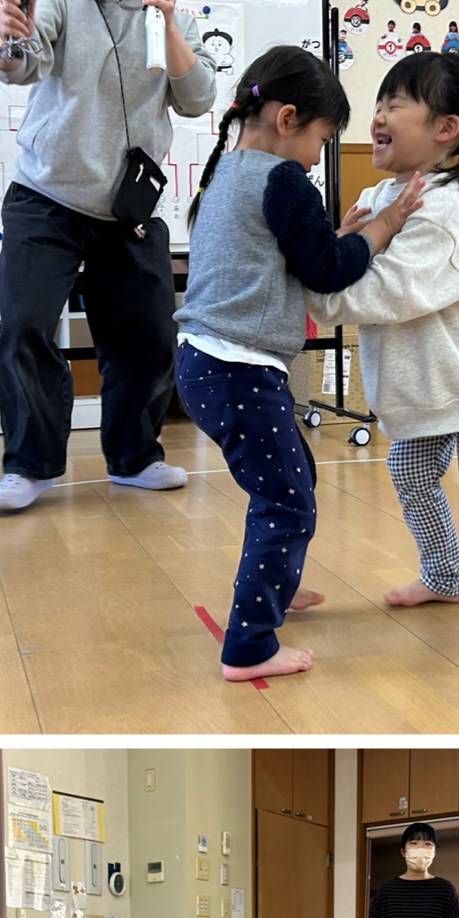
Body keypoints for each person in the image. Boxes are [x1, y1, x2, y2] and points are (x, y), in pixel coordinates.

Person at [174, 47, 424, 682]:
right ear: (287, 120)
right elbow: (329, 271)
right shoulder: (284, 179)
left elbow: (274, 255)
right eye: (321, 140)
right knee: (287, 503)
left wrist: (335, 235)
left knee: (295, 478)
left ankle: (277, 588)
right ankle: (249, 646)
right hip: (239, 369)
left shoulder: (227, 170)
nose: (318, 156)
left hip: (208, 363)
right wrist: (387, 223)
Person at [0, 0, 217, 513]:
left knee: (148, 338)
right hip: (46, 199)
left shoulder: (171, 12)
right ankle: (29, 466)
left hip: (128, 211)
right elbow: (21, 64)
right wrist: (8, 40)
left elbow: (197, 99)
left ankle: (135, 458)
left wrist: (168, 20)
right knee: (24, 328)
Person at [305, 52, 459, 623]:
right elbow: (347, 257)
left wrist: (312, 293)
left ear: (445, 129)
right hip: (430, 385)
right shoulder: (380, 197)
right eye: (379, 103)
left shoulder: (442, 208)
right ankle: (445, 576)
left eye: (396, 104)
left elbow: (388, 292)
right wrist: (337, 245)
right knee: (412, 474)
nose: (378, 115)